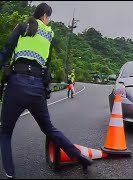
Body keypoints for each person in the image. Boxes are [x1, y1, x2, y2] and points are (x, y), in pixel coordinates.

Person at [0, 3, 92, 179]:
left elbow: (6, 52)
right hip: (36, 88)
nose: (49, 20)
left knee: (5, 133)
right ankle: (80, 157)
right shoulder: (49, 34)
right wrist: (45, 88)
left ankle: (10, 174)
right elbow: (47, 67)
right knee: (49, 129)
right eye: (48, 17)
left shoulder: (21, 27)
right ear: (43, 15)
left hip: (17, 84)